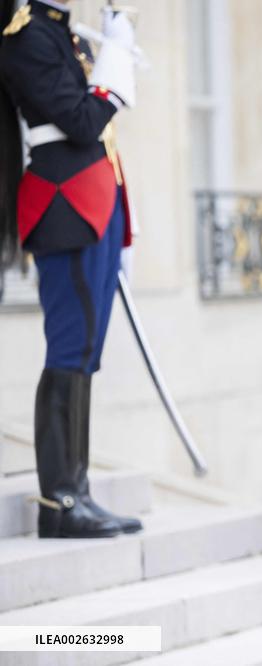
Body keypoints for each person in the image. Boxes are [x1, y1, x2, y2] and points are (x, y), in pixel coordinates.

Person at [0, 0, 141, 537]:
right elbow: (83, 122)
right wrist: (117, 59)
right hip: (65, 207)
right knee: (68, 350)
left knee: (84, 353)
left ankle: (76, 490)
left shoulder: (66, 34)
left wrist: (110, 49)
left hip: (93, 203)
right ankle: (58, 500)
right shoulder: (25, 36)